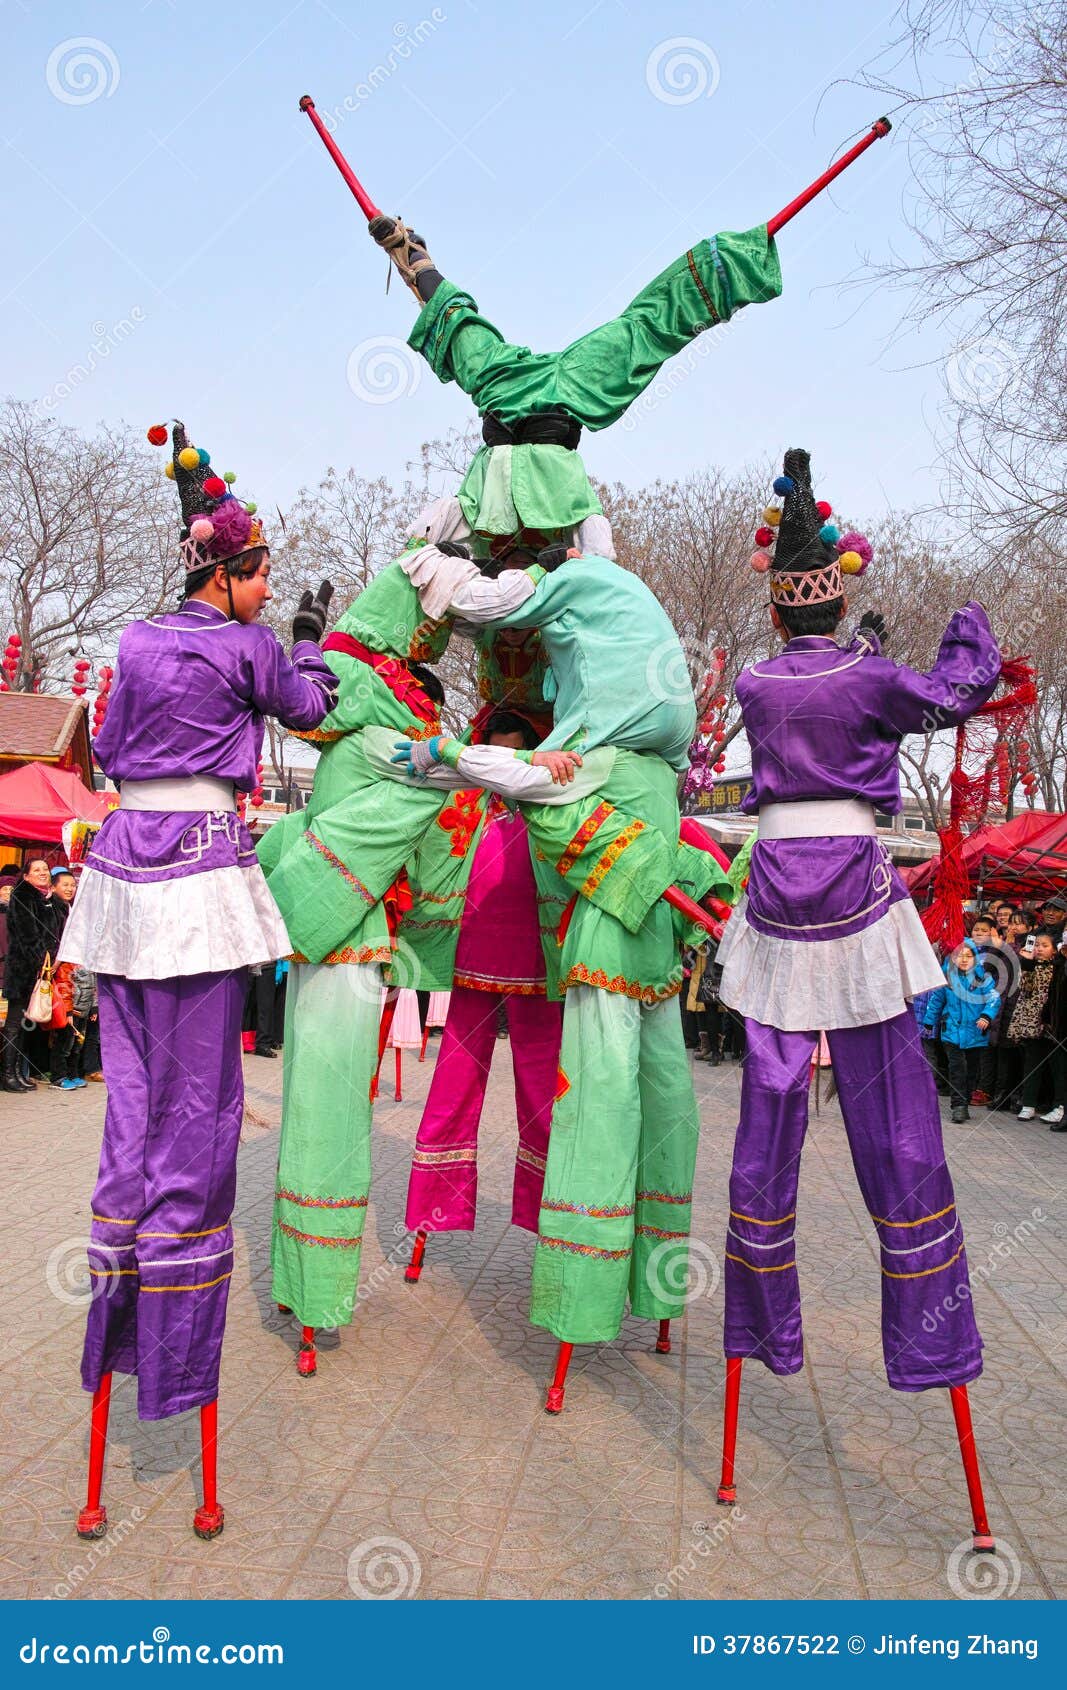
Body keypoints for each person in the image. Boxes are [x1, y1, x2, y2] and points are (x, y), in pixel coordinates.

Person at [57, 419, 337, 1540]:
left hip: (124, 881)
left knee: (134, 1125)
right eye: (262, 571)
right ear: (222, 574)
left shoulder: (133, 641)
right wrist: (310, 638)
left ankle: (114, 1355)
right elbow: (312, 708)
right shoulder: (245, 647)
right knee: (203, 1125)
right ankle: (176, 1373)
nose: (270, 585)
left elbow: (118, 746)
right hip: (197, 889)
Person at [712, 449, 1002, 1526]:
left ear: (779, 606)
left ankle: (760, 1331)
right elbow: (955, 690)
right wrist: (968, 618)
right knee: (900, 1134)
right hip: (855, 895)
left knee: (763, 1127)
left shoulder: (751, 681)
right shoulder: (867, 677)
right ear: (837, 592)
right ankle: (933, 1342)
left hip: (774, 901)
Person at [403, 710, 564, 1245]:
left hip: (541, 966)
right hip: (472, 957)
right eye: (491, 756)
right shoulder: (463, 805)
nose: (501, 768)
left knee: (543, 1096)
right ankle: (434, 1211)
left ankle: (551, 1217)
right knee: (452, 1088)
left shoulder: (553, 803)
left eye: (514, 756)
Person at [2, 858, 64, 1093]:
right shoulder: (22, 896)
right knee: (15, 1024)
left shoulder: (49, 899)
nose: (42, 873)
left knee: (28, 1024)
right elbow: (28, 934)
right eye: (36, 870)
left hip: (42, 970)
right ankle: (7, 1075)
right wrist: (42, 961)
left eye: (45, 869)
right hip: (24, 969)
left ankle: (18, 1072)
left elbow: (55, 934)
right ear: (26, 876)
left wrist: (52, 959)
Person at [923, 939, 1002, 1123]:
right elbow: (936, 1001)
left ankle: (964, 1100)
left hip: (975, 1033)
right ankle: (958, 1105)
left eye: (969, 956)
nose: (964, 959)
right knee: (957, 1068)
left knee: (972, 1070)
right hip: (951, 1031)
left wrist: (986, 1016)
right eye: (960, 956)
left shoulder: (983, 980)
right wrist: (929, 1021)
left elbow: (993, 999)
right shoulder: (948, 980)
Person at [1005, 929, 1060, 1121]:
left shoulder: (1058, 966)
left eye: (1045, 946)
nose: (1039, 949)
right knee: (1032, 1063)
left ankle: (1057, 1105)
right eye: (1037, 945)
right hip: (1031, 1022)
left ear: (1054, 950)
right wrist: (1027, 963)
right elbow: (1026, 988)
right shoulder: (1029, 965)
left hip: (1053, 1022)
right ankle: (1029, 1104)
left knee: (1056, 1066)